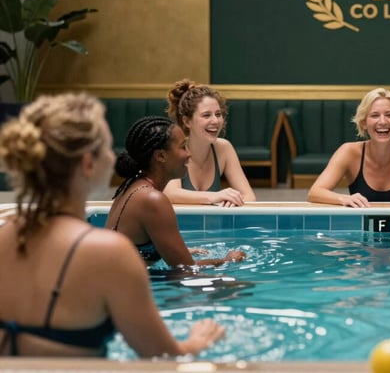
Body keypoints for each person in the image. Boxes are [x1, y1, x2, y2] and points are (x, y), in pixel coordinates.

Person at [0, 93, 224, 357]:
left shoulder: (6, 232)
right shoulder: (109, 252)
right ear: (88, 164)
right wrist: (198, 341)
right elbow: (163, 356)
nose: (115, 157)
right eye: (107, 148)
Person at [106, 116, 246, 267]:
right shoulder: (153, 199)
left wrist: (175, 251)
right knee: (238, 287)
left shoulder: (133, 185)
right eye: (183, 146)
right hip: (127, 285)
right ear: (160, 156)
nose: (189, 154)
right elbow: (185, 268)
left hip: (118, 279)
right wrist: (228, 260)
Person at [164, 78, 255, 206]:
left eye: (218, 114)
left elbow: (249, 196)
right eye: (206, 115)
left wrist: (233, 202)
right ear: (187, 121)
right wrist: (215, 196)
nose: (215, 121)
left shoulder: (224, 148)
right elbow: (170, 194)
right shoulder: (175, 150)